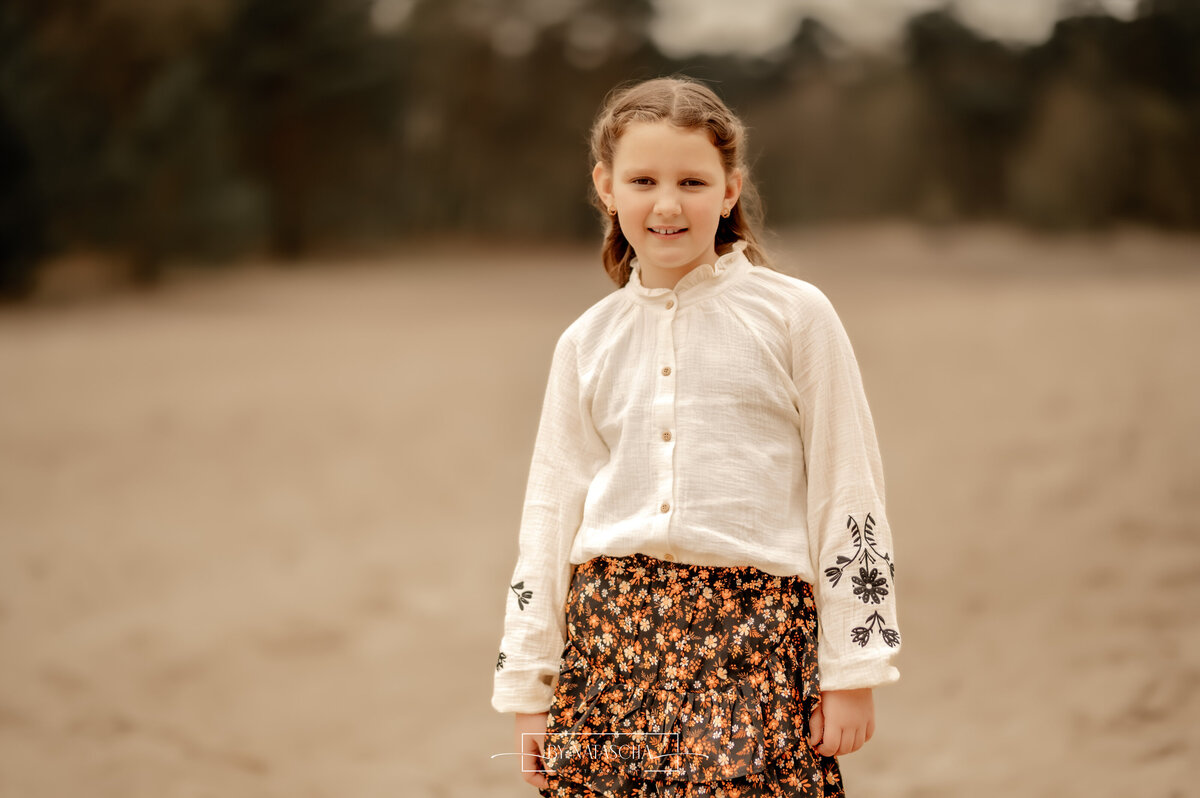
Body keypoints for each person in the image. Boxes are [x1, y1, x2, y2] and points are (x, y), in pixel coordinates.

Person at [492, 76, 901, 798]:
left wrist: (854, 669)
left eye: (692, 180)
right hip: (609, 650)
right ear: (606, 188)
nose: (668, 203)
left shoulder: (795, 317)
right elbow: (549, 517)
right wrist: (529, 689)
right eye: (643, 179)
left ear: (731, 189)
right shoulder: (586, 342)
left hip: (754, 646)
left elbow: (848, 490)